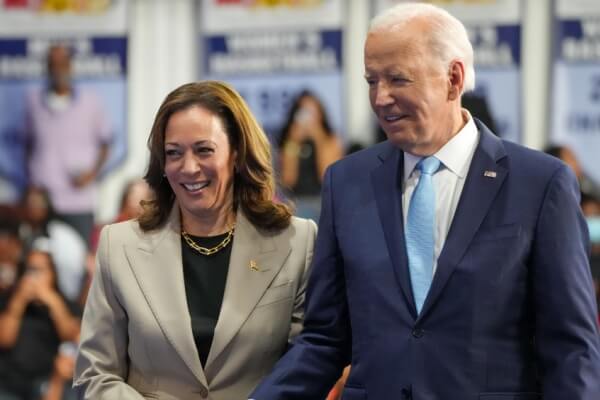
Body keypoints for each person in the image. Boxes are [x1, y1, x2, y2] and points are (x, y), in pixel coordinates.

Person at [252, 3, 600, 399]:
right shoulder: (346, 182)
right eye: (371, 81)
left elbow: (571, 350)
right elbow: (325, 339)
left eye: (398, 79)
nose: (380, 98)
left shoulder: (540, 183)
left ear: (453, 78)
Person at [73, 81, 317, 399]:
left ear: (236, 152)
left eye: (204, 150)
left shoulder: (296, 241)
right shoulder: (118, 245)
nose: (188, 168)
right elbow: (94, 375)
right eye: (174, 153)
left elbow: (308, 364)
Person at [24, 44, 111, 246]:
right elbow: (28, 145)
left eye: (63, 63)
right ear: (46, 68)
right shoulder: (33, 102)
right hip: (43, 201)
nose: (58, 69)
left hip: (78, 200)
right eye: (52, 64)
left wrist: (91, 174)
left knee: (79, 259)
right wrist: (32, 182)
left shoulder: (91, 102)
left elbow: (105, 144)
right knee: (40, 257)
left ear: (71, 67)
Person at [0, 241, 81, 400]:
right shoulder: (9, 300)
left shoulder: (64, 303)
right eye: (30, 270)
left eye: (40, 271)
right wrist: (18, 302)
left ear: (53, 273)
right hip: (8, 383)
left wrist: (51, 301)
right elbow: (4, 339)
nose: (34, 278)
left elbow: (72, 335)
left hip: (47, 382)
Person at [278, 90, 343, 220]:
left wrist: (318, 138)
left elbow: (326, 177)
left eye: (312, 112)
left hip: (323, 201)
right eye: (304, 112)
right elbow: (288, 180)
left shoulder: (330, 139)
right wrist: (294, 142)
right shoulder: (290, 140)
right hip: (296, 202)